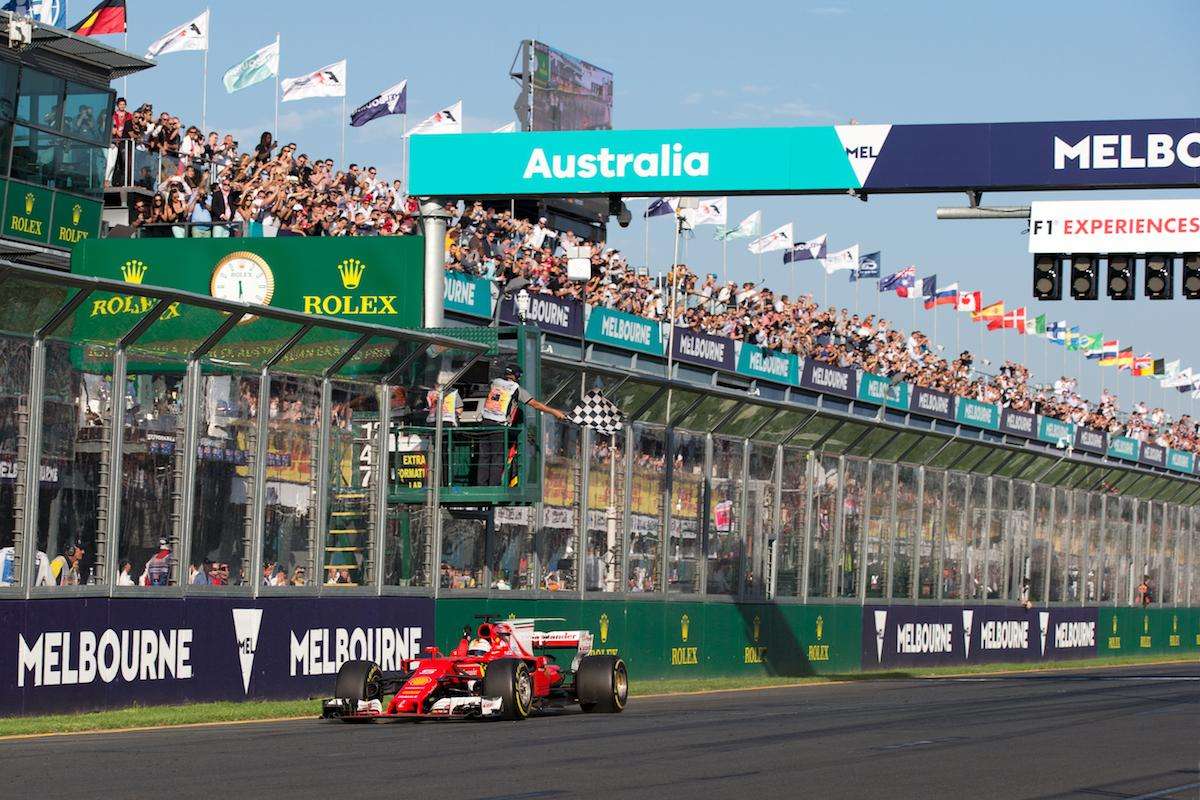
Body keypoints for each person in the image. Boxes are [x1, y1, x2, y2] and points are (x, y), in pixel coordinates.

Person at [476, 364, 566, 486]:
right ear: (517, 376)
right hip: (499, 426)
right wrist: (555, 412)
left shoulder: (495, 383)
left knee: (484, 457)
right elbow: (535, 404)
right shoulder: (515, 389)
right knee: (497, 459)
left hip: (484, 423)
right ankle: (493, 488)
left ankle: (481, 486)